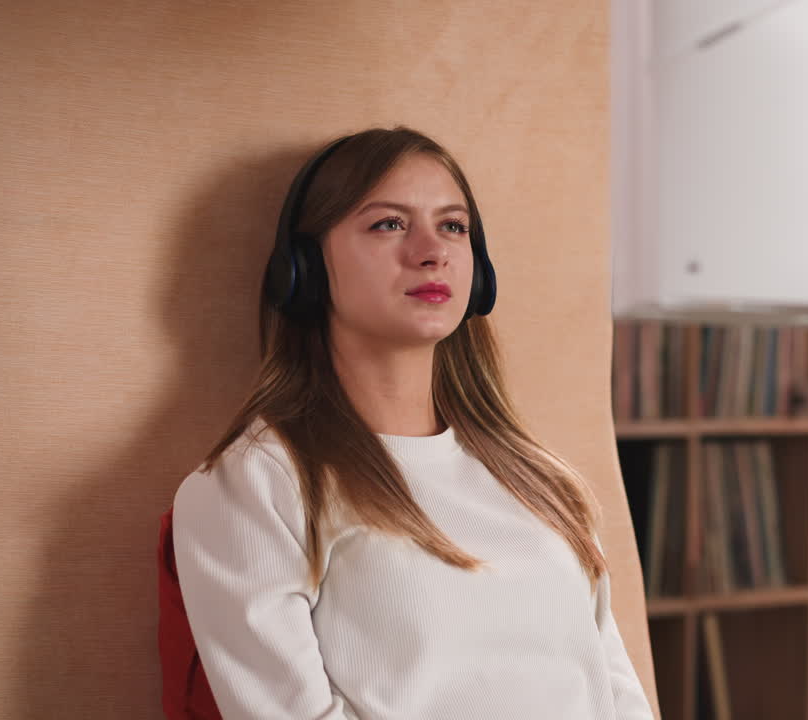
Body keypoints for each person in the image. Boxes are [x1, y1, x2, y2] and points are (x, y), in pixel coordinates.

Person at [171, 126, 655, 719]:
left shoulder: (540, 481)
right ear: (305, 269)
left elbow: (615, 692)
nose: (433, 251)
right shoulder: (253, 485)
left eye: (453, 226)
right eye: (388, 224)